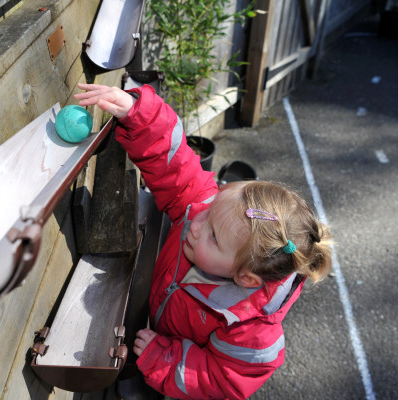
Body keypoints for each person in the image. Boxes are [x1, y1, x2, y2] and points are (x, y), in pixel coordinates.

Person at [75, 82, 333, 400]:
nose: (195, 224)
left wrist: (163, 357)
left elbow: (220, 379)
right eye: (209, 212)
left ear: (245, 277)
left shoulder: (250, 332)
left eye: (212, 235)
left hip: (162, 353)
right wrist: (138, 113)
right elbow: (175, 162)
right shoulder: (206, 209)